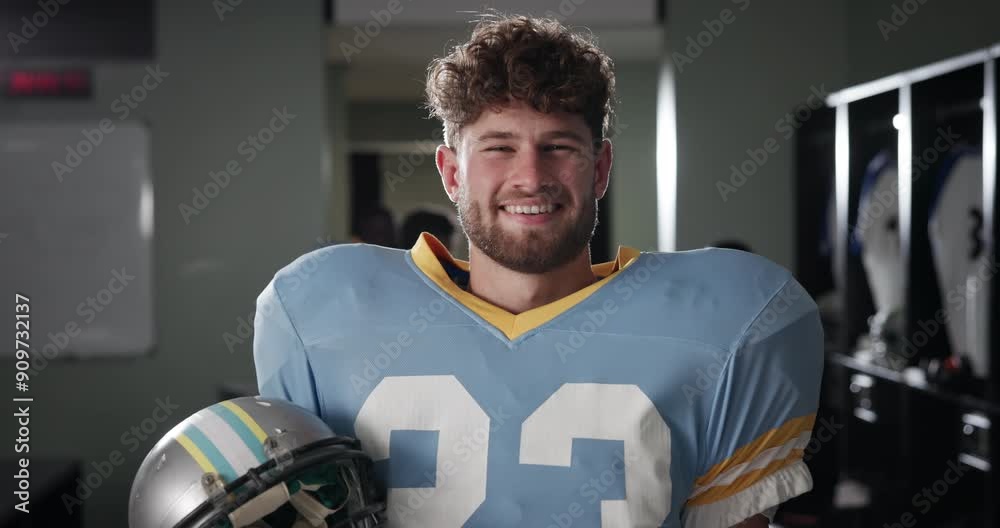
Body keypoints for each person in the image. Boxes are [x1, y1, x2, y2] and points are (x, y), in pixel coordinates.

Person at [254, 13, 823, 527]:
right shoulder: (321, 309)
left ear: (599, 169)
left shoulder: (734, 320)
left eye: (559, 147)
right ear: (452, 173)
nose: (531, 176)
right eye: (499, 147)